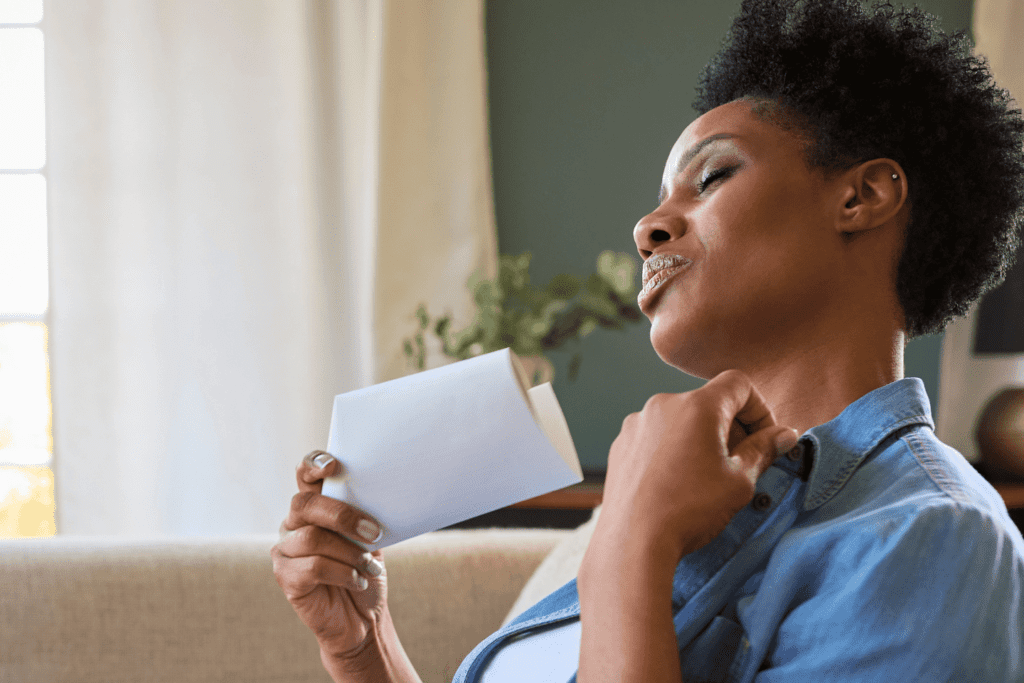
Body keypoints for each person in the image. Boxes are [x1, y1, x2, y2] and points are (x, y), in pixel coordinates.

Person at [271, 0, 1024, 680]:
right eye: (660, 199)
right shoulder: (696, 494)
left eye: (712, 176)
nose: (648, 227)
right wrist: (364, 645)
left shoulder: (930, 534)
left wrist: (630, 544)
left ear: (861, 196)